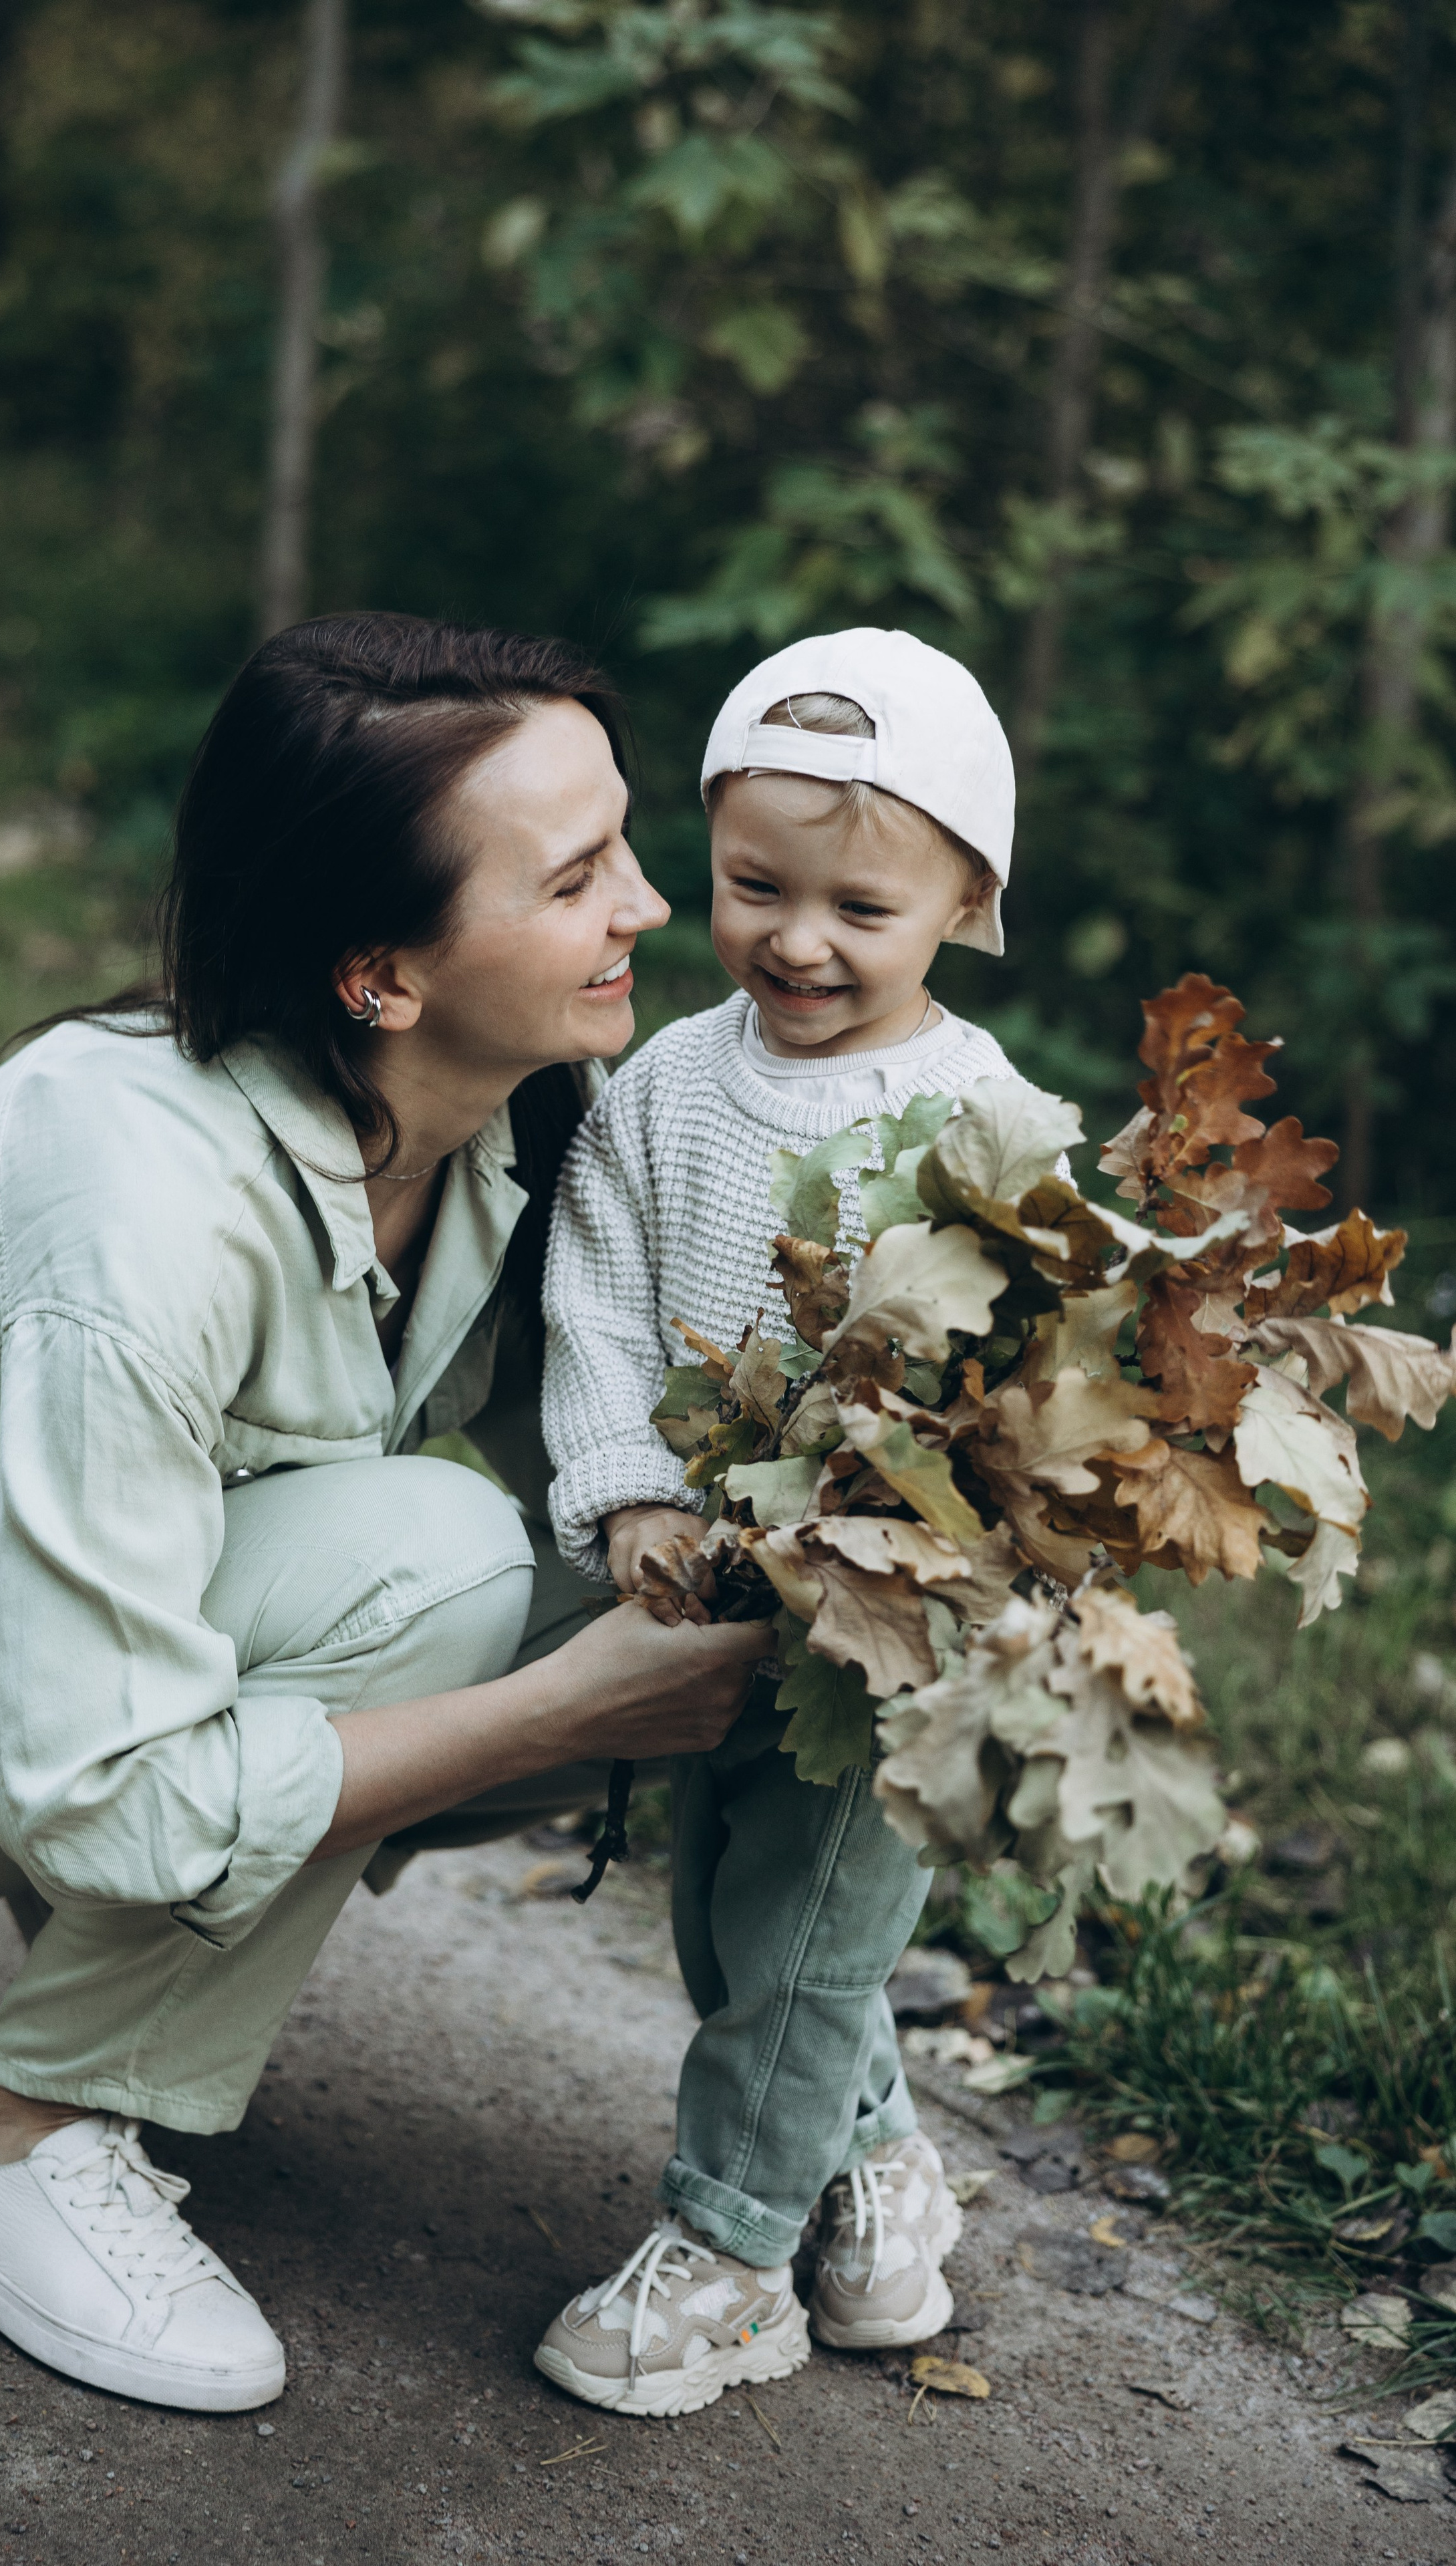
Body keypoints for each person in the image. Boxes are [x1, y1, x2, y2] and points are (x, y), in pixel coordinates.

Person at [0, 613, 770, 2415]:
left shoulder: (523, 1119)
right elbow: (104, 1797)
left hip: (51, 1660)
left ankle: (839, 2135)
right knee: (437, 1565)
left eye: (625, 846)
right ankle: (21, 2135)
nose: (650, 907)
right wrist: (564, 1717)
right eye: (576, 879)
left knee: (730, 1587)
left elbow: (622, 1492)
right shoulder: (143, 1208)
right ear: (382, 975)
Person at [537, 626, 1030, 2417]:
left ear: (965, 904)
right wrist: (628, 1492)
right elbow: (599, 1300)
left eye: (860, 909)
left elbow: (1040, 1377)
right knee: (737, 1927)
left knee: (803, 1940)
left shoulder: (986, 1121)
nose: (799, 941)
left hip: (881, 1624)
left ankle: (734, 2254)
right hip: (707, 1587)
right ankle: (877, 2164)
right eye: (758, 887)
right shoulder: (667, 1087)